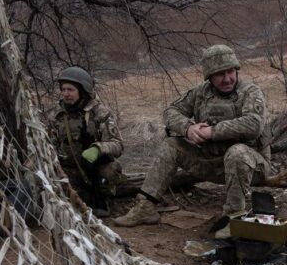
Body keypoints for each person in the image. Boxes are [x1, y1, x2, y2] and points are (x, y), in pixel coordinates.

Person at [114, 45, 271, 227]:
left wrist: (212, 132)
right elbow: (170, 112)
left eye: (230, 72)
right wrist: (188, 128)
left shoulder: (250, 92)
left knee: (237, 152)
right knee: (171, 145)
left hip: (252, 166)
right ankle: (144, 208)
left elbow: (254, 125)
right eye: (220, 74)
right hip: (211, 162)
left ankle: (233, 219)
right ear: (210, 77)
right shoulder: (201, 93)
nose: (227, 79)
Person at [52, 66, 124, 218]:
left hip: (95, 170)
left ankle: (104, 199)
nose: (66, 94)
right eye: (63, 89)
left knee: (110, 169)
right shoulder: (57, 116)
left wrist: (98, 149)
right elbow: (50, 144)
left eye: (70, 90)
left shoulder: (100, 113)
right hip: (70, 170)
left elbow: (118, 144)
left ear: (83, 90)